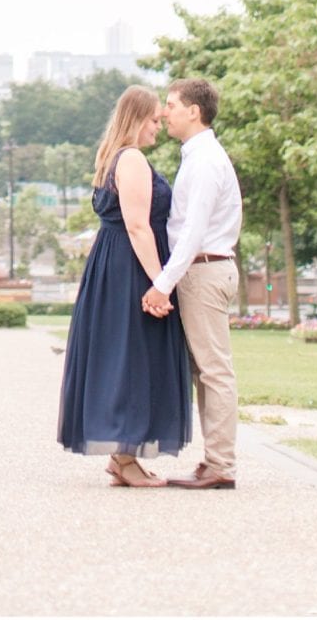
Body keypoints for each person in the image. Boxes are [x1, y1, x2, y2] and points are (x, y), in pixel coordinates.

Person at [57, 86, 191, 487]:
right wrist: (159, 282)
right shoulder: (131, 158)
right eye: (153, 119)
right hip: (131, 268)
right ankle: (125, 457)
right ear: (136, 120)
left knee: (126, 355)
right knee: (134, 357)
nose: (159, 126)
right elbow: (137, 224)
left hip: (114, 265)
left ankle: (124, 457)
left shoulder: (112, 157)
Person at [142, 77, 243, 490]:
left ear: (193, 111)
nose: (164, 113)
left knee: (214, 371)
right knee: (207, 370)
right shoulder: (198, 157)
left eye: (170, 105)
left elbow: (192, 233)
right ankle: (214, 461)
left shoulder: (204, 162)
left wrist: (162, 283)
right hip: (202, 269)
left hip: (203, 270)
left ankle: (221, 465)